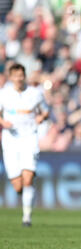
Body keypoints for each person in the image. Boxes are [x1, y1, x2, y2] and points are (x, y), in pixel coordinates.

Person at [0, 63, 49, 226]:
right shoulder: (4, 94)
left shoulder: (35, 94)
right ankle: (23, 193)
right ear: (11, 77)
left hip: (29, 137)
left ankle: (26, 217)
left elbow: (45, 111)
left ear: (24, 76)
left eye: (21, 75)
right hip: (11, 139)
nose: (19, 78)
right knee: (17, 185)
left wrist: (41, 118)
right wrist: (3, 122)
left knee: (28, 179)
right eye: (16, 75)